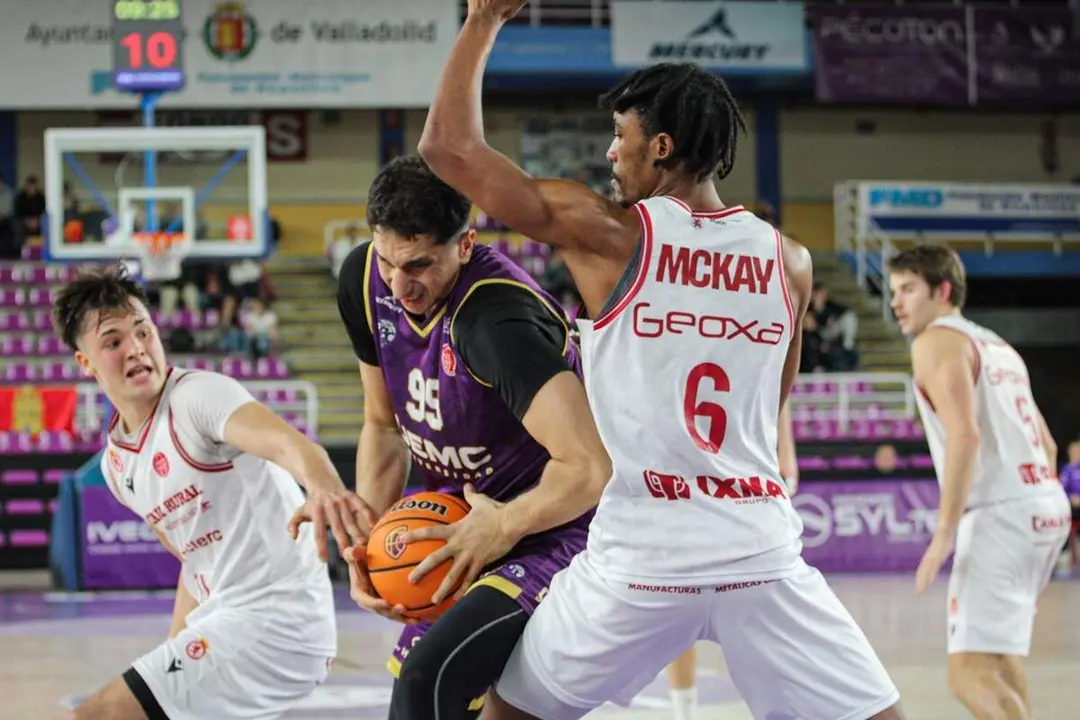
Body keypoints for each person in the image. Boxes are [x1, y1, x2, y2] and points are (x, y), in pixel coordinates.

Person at [415, 2, 904, 719]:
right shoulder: (789, 262)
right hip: (758, 552)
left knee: (506, 715)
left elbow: (448, 152)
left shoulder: (612, 236)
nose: (612, 152)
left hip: (642, 558)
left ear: (662, 147)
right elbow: (770, 405)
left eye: (622, 137)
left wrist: (485, 18)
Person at [335, 156, 610, 719]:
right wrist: (371, 536)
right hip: (458, 523)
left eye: (419, 265)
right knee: (421, 694)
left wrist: (504, 524)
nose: (400, 284)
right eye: (388, 261)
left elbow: (590, 469)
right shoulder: (365, 282)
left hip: (554, 527)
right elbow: (383, 425)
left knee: (429, 680)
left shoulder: (495, 322)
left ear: (465, 244)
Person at [55, 266, 369, 720]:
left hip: (278, 618)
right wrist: (173, 649)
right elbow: (194, 565)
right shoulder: (116, 465)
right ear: (85, 362)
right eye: (113, 341)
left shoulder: (199, 397)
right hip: (227, 622)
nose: (137, 348)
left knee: (98, 715)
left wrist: (324, 488)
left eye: (143, 331)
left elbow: (293, 445)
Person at [887, 245, 1070, 719]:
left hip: (1001, 514)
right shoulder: (996, 344)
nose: (896, 303)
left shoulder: (934, 342)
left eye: (909, 289)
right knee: (1001, 659)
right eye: (893, 292)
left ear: (943, 291)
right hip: (1044, 505)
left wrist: (944, 533)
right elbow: (1047, 445)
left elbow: (965, 435)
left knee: (966, 672)